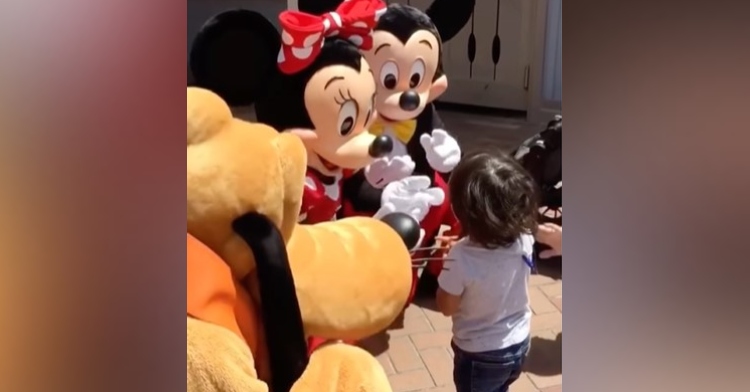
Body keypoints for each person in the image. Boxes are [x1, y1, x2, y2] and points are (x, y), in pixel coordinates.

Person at [435, 151, 539, 392]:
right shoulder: (523, 238)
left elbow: (446, 307)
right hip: (519, 342)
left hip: (479, 354)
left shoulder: (460, 257)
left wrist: (446, 262)